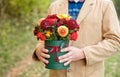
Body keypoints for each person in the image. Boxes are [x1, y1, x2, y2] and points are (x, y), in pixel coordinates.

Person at [32, 0, 120, 77]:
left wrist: (84, 53)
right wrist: (39, 49)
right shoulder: (55, 5)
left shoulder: (105, 4)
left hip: (90, 74)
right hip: (58, 74)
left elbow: (115, 40)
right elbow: (45, 35)